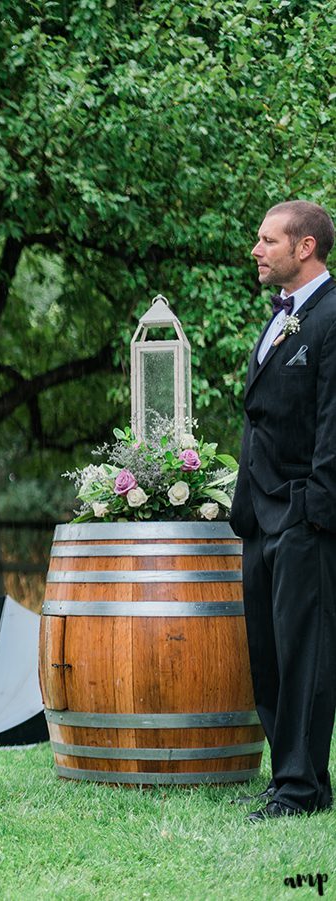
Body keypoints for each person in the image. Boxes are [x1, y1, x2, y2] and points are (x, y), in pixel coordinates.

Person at [230, 200, 336, 822]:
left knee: (306, 656)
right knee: (268, 654)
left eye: (268, 240)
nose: (256, 249)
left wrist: (317, 511)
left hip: (304, 514)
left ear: (305, 249)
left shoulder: (331, 316)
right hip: (259, 512)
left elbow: (332, 420)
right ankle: (287, 779)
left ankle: (301, 788)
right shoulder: (281, 316)